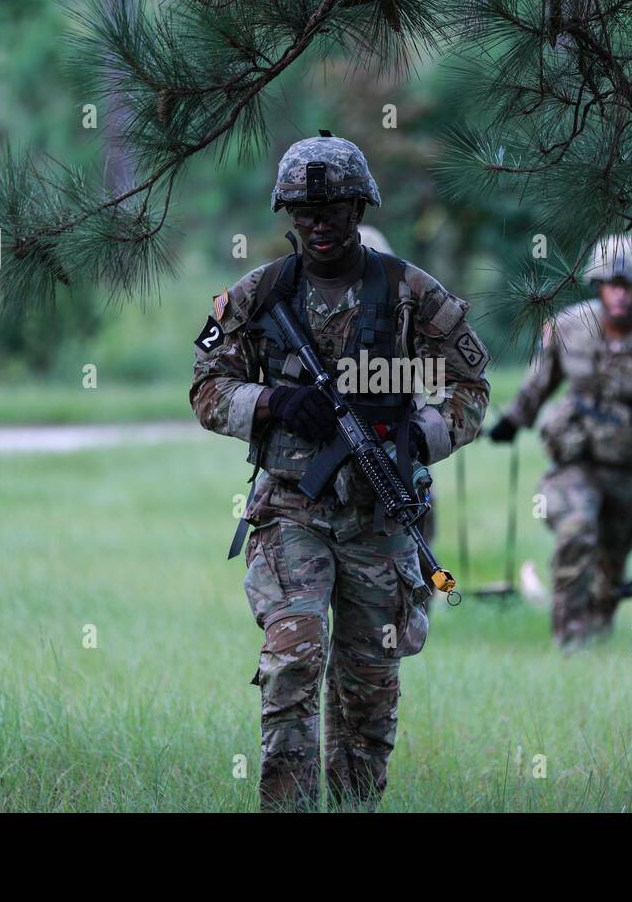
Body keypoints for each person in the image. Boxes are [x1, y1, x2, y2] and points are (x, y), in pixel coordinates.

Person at [190, 132, 491, 810]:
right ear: (287, 214)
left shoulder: (412, 294)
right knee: (294, 660)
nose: (318, 224)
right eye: (303, 212)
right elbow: (207, 386)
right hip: (292, 510)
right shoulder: (262, 292)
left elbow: (470, 386)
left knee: (368, 692)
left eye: (333, 211)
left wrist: (420, 436)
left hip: (380, 520)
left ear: (360, 209)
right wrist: (271, 401)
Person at [489, 235, 632, 650]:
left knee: (610, 569)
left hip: (631, 471)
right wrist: (513, 420)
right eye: (612, 284)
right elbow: (540, 382)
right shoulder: (568, 326)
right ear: (598, 285)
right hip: (576, 461)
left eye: (629, 285)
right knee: (577, 532)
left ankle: (595, 640)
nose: (620, 294)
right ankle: (569, 644)